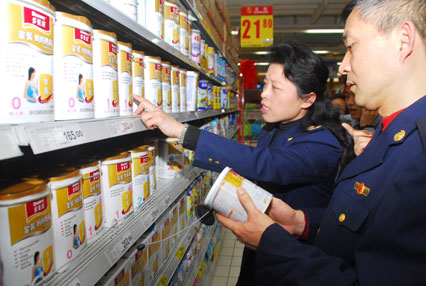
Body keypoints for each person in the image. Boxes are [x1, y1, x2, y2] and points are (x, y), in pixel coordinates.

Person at [217, 0, 426, 284]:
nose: (343, 66)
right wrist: (301, 222)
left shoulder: (418, 152)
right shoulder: (387, 133)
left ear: (403, 40)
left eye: (351, 46)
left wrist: (273, 244)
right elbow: (358, 231)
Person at [134, 42, 353, 284]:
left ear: (307, 99)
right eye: (265, 83)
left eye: (275, 88)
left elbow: (267, 165)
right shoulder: (273, 128)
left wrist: (181, 131)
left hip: (296, 262)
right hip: (260, 249)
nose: (263, 93)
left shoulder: (323, 142)